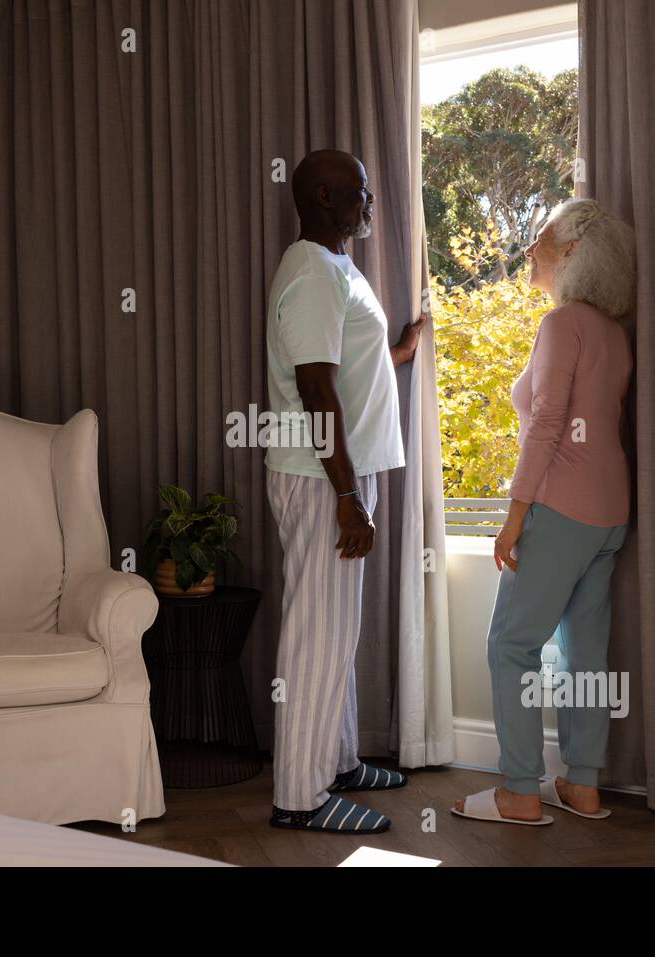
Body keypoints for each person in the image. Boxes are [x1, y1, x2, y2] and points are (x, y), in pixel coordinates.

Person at [452, 199, 636, 827]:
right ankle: (582, 784)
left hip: (559, 509)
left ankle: (519, 791)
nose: (530, 250)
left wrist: (513, 516)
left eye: (542, 239)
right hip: (611, 513)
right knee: (585, 649)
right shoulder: (614, 331)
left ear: (575, 253)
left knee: (511, 644)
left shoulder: (563, 326)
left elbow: (549, 427)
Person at [263, 149, 425, 833]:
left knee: (338, 631)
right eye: (361, 191)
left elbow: (343, 367)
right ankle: (299, 796)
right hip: (321, 478)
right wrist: (346, 495)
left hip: (341, 475)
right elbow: (313, 386)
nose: (369, 202)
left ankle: (337, 760)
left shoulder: (334, 266)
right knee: (315, 635)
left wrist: (394, 356)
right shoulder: (310, 272)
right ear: (327, 199)